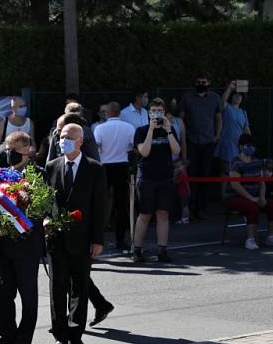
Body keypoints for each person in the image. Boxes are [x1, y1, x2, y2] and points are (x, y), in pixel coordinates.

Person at [45, 124, 105, 344]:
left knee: (79, 286)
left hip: (82, 238)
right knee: (57, 288)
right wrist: (46, 220)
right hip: (56, 238)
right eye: (61, 137)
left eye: (69, 137)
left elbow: (100, 206)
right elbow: (46, 201)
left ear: (80, 141)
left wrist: (98, 239)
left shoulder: (94, 168)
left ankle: (75, 332)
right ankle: (60, 333)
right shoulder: (52, 167)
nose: (64, 141)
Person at [0, 131, 44, 344]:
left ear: (26, 150)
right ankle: (6, 337)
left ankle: (23, 340)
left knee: (27, 294)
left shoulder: (37, 174)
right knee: (3, 294)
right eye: (6, 149)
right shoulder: (0, 175)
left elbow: (42, 208)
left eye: (11, 149)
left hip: (26, 244)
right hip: (2, 244)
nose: (7, 153)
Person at [132, 98, 181, 263]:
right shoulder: (141, 130)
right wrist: (151, 131)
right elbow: (144, 152)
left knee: (163, 213)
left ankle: (162, 250)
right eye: (154, 111)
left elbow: (176, 151)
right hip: (147, 177)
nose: (157, 114)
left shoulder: (170, 129)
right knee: (144, 214)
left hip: (165, 177)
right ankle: (137, 249)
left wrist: (168, 131)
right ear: (149, 113)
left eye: (160, 111)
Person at [223, 134, 273, 250]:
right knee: (252, 207)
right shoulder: (235, 162)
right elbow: (235, 185)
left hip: (255, 195)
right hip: (234, 197)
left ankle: (271, 237)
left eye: (253, 146)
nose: (251, 148)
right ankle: (250, 239)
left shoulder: (258, 162)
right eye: (248, 145)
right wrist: (251, 198)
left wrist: (261, 197)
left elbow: (261, 182)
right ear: (241, 146)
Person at [93, 101, 135, 250]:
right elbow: (132, 146)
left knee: (100, 202)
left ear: (107, 113)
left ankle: (98, 238)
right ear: (119, 113)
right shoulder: (129, 127)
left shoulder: (100, 128)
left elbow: (97, 147)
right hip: (122, 165)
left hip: (105, 166)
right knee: (121, 204)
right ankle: (120, 239)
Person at [180, 73, 222, 219]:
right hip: (191, 141)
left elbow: (218, 117)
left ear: (209, 83)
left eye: (203, 82)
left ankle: (201, 208)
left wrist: (217, 136)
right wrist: (182, 136)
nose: (200, 84)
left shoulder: (215, 98)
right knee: (191, 175)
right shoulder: (187, 97)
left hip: (208, 141)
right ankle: (190, 208)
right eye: (198, 82)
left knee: (205, 175)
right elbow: (182, 118)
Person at [214, 81, 251, 172]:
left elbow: (246, 129)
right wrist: (229, 88)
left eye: (240, 95)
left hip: (239, 147)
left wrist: (247, 144)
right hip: (227, 145)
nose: (238, 96)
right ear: (232, 96)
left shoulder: (243, 112)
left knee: (236, 174)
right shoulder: (227, 108)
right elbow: (221, 103)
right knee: (225, 173)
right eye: (235, 94)